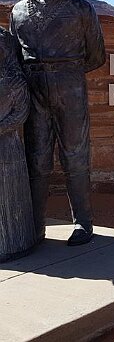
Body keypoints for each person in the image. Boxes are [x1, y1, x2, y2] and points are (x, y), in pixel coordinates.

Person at [10, 0, 106, 246]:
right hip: (34, 91)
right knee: (36, 159)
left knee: (75, 157)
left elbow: (96, 55)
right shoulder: (18, 12)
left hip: (70, 88)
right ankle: (35, 226)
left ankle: (83, 224)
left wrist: (67, 73)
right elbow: (14, 57)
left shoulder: (80, 9)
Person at [0, 27, 36, 262]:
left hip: (8, 148)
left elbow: (20, 114)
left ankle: (15, 242)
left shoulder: (15, 81)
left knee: (10, 197)